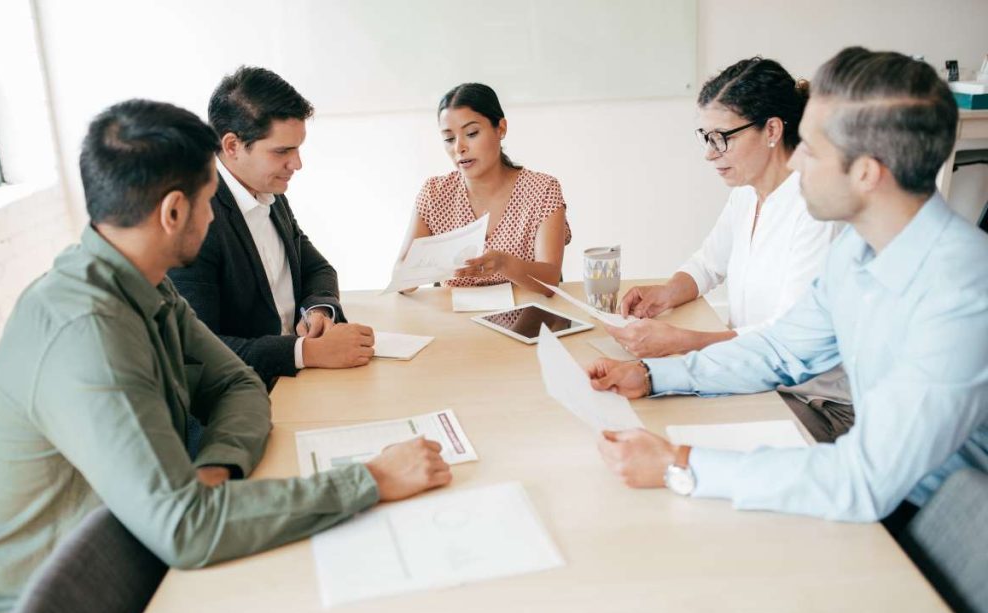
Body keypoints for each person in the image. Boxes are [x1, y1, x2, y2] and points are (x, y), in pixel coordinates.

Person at [0, 100, 451, 613]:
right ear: (174, 212)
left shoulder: (145, 280)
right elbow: (187, 530)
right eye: (208, 199)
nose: (216, 214)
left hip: (140, 545)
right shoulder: (86, 331)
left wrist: (219, 466)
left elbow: (237, 383)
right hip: (59, 611)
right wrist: (370, 479)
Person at [587, 47, 988, 525]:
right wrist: (653, 376)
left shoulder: (961, 293)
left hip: (942, 532)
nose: (795, 165)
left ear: (866, 172)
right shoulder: (856, 252)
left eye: (812, 150)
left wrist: (681, 464)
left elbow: (866, 480)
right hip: (889, 497)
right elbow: (779, 350)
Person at [606, 58, 852, 442]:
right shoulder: (747, 193)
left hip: (818, 404)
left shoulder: (814, 210)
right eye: (706, 137)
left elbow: (787, 339)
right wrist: (666, 292)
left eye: (722, 137)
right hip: (757, 375)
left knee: (675, 434)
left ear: (772, 129)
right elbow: (708, 263)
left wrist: (682, 341)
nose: (710, 153)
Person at [169, 67, 373, 389]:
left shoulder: (267, 189)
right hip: (245, 395)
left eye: (298, 148)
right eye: (282, 151)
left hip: (296, 379)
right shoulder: (193, 220)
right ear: (233, 145)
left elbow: (316, 267)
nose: (297, 164)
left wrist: (318, 310)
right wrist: (305, 352)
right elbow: (197, 352)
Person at [397, 83, 570, 295]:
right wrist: (419, 272)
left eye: (471, 133)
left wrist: (504, 264)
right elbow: (400, 276)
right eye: (449, 138)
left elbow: (551, 279)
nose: (459, 147)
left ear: (501, 128)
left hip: (526, 322)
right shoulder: (435, 193)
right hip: (456, 323)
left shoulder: (542, 190)